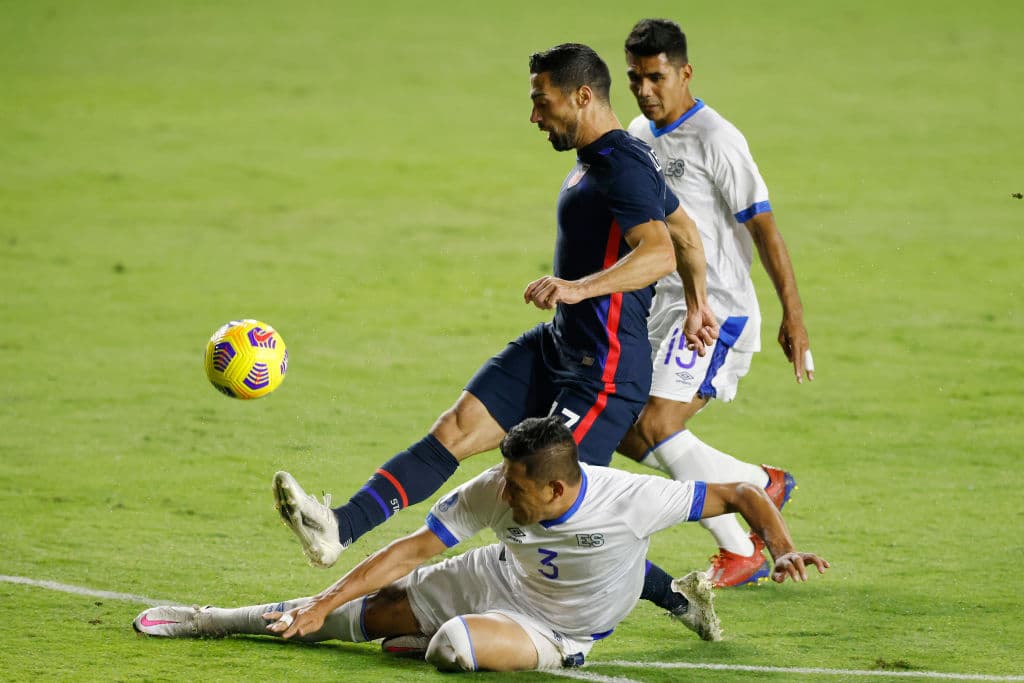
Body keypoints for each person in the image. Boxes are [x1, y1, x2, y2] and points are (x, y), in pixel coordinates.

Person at [271, 43, 717, 614]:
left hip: (603, 372)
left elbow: (657, 251)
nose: (534, 116)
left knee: (547, 505)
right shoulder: (606, 155)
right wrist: (699, 302)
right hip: (560, 343)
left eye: (542, 100)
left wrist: (577, 287)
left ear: (583, 95)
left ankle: (674, 596)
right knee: (455, 429)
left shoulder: (622, 163)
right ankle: (338, 527)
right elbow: (684, 231)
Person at [135, 417, 829, 672]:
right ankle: (209, 619)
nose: (503, 488)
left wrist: (781, 547)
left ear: (557, 490)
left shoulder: (631, 498)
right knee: (358, 617)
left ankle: (672, 596)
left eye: (518, 484)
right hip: (496, 577)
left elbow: (742, 492)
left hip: (563, 625)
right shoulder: (494, 489)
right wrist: (327, 598)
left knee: (453, 649)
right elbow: (412, 547)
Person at [617, 18, 816, 588]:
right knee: (628, 430)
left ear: (684, 72)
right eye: (635, 78)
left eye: (656, 77)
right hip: (664, 307)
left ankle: (755, 514)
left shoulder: (716, 138)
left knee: (655, 423)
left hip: (716, 312)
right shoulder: (638, 131)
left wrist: (793, 316)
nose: (645, 90)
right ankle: (751, 506)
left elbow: (765, 227)